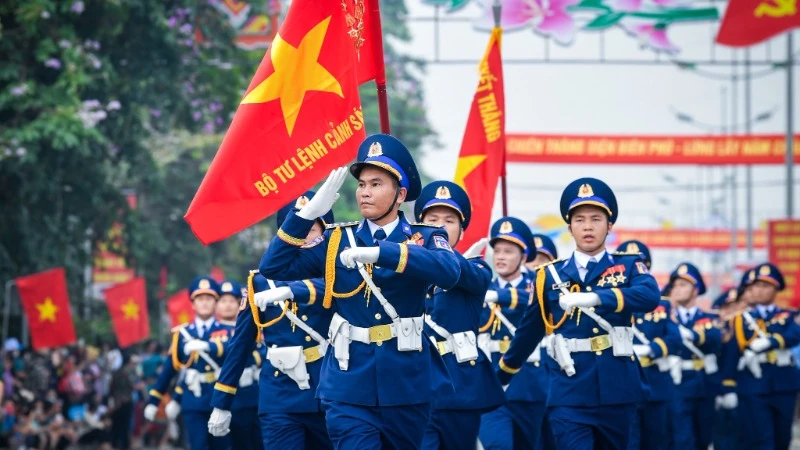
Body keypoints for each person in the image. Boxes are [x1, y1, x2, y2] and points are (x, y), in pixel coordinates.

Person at [259, 133, 460, 449]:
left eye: (376, 184)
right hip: (348, 382)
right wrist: (306, 216)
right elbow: (274, 268)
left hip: (406, 382)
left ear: (400, 193)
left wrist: (386, 253)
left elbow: (450, 272)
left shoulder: (425, 236)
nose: (364, 192)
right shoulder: (338, 240)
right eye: (362, 184)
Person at [495, 177, 660, 450]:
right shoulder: (549, 275)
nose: (587, 226)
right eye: (580, 219)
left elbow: (649, 296)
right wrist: (501, 375)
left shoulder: (628, 266)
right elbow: (530, 330)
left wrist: (597, 297)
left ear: (609, 226)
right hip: (569, 388)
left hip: (617, 386)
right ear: (569, 227)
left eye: (596, 219)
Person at [209, 192, 334, 450]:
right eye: (298, 229)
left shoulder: (338, 275)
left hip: (330, 390)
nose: (304, 236)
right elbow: (240, 344)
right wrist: (222, 401)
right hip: (280, 394)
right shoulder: (260, 282)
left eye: (312, 228)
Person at [413, 181, 506, 450]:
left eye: (450, 220)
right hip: (417, 384)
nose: (441, 226)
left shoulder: (475, 268)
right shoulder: (405, 267)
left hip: (460, 389)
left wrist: (442, 258)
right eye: (433, 220)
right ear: (420, 227)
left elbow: (463, 274)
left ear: (461, 230)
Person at [477, 216, 545, 450]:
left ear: (524, 257)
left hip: (529, 384)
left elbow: (538, 303)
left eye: (508, 251)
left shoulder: (538, 285)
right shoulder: (483, 286)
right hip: (492, 383)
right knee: (497, 445)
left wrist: (501, 297)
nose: (501, 257)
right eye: (497, 251)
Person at [144, 276, 231, 450]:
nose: (205, 303)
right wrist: (154, 400)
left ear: (215, 303)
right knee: (198, 445)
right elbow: (169, 369)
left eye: (209, 299)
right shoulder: (182, 335)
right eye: (200, 299)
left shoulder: (228, 330)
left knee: (222, 446)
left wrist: (208, 346)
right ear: (193, 304)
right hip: (193, 398)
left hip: (220, 397)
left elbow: (232, 351)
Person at [719, 263, 800, 449]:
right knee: (761, 439)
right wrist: (728, 388)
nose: (758, 290)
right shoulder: (740, 320)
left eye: (765, 286)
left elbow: (795, 334)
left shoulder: (788, 316)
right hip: (752, 385)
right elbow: (731, 356)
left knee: (782, 439)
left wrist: (771, 342)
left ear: (776, 289)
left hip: (783, 384)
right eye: (755, 286)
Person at [616, 240, 681, 450]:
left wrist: (653, 349)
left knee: (657, 440)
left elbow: (674, 338)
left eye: (640, 263)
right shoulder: (610, 301)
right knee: (629, 442)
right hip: (624, 383)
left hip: (655, 384)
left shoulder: (662, 305)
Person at [664, 262, 721, 450]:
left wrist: (693, 335)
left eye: (683, 285)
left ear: (695, 290)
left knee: (704, 436)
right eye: (675, 285)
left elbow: (714, 337)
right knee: (682, 438)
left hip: (704, 382)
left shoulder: (708, 318)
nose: (677, 289)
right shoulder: (666, 318)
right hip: (677, 382)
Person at [212, 279, 262, 450]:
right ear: (216, 305)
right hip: (223, 393)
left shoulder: (255, 327)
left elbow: (262, 351)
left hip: (250, 395)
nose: (228, 305)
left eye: (233, 301)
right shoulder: (210, 333)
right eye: (223, 301)